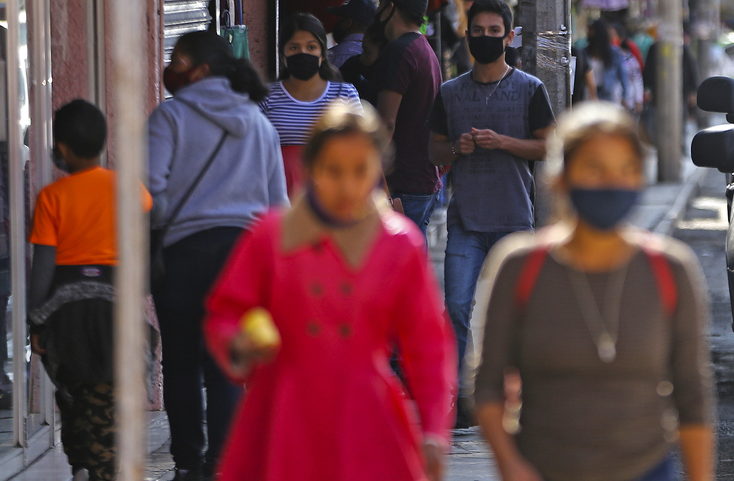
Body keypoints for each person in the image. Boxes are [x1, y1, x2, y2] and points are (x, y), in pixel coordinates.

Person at [203, 101, 457, 481]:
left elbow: (427, 346)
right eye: (333, 171)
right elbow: (225, 311)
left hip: (365, 416)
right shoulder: (272, 235)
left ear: (379, 169)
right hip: (282, 413)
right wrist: (239, 343)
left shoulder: (400, 244)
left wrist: (435, 430)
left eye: (361, 170)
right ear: (311, 168)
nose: (347, 186)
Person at [474, 103, 714, 481]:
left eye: (626, 169)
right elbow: (486, 385)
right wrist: (510, 465)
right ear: (561, 177)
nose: (611, 182)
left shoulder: (670, 269)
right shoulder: (519, 266)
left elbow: (692, 396)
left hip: (647, 470)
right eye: (594, 168)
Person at [149, 31, 289, 481]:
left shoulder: (168, 117)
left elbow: (148, 189)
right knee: (227, 363)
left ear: (202, 69)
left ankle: (189, 463)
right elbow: (277, 208)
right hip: (242, 258)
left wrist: (174, 215)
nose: (172, 67)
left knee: (182, 362)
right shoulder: (260, 124)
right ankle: (223, 466)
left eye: (178, 59)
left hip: (182, 257)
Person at [427, 0, 555, 427]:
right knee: (458, 307)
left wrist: (504, 143)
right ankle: (459, 400)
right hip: (466, 221)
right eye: (477, 32)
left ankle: (521, 397)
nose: (485, 39)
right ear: (467, 36)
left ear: (509, 36)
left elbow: (550, 145)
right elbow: (432, 150)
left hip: (516, 219)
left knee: (521, 313)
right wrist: (454, 150)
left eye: (493, 32)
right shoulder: (449, 92)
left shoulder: (530, 89)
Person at [28, 100, 153, 481]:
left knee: (74, 394)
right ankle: (102, 467)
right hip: (115, 312)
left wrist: (36, 322)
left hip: (68, 318)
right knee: (109, 398)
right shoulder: (132, 189)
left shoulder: (52, 197)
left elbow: (43, 269)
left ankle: (81, 461)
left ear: (61, 149)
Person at [261, 13, 361, 197]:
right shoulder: (265, 96)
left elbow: (361, 147)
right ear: (282, 55)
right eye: (294, 47)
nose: (303, 53)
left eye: (311, 47)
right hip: (278, 200)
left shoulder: (344, 94)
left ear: (322, 54)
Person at [375, 0, 443, 235]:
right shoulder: (423, 48)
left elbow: (386, 122)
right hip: (423, 181)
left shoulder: (399, 51)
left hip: (402, 184)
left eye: (381, 3)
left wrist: (372, 171)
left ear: (390, 7)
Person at [586, 18, 631, 106]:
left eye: (591, 31)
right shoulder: (585, 52)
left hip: (608, 93)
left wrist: (625, 97)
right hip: (589, 94)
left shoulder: (615, 53)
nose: (588, 34)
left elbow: (624, 76)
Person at [327, 0, 376, 69]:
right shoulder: (376, 54)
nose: (336, 22)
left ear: (348, 23)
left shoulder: (332, 56)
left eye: (339, 19)